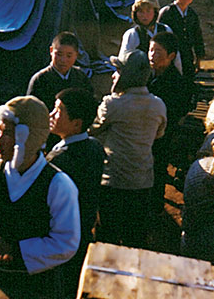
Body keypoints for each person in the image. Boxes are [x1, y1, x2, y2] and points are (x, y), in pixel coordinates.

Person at [0, 95, 80, 298]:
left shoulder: (58, 184)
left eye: (7, 133)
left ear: (27, 138)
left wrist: (14, 250)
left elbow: (65, 242)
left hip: (40, 286)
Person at [89, 50, 166, 248]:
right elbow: (158, 134)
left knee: (108, 239)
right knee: (136, 238)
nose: (113, 75)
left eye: (117, 71)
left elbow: (93, 130)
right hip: (142, 181)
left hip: (113, 181)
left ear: (126, 76)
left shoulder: (112, 104)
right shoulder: (158, 105)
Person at [46, 87, 105, 296]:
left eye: (59, 111)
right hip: (83, 231)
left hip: (59, 238)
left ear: (76, 123)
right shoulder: (96, 147)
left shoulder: (58, 160)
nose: (51, 115)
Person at [147, 32, 194, 212]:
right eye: (151, 50)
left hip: (163, 136)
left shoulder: (175, 83)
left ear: (171, 56)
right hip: (147, 133)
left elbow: (176, 112)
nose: (152, 55)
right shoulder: (148, 75)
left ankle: (156, 207)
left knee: (158, 169)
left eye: (158, 52)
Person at [26, 31, 93, 112]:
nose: (63, 60)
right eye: (59, 54)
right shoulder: (40, 79)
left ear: (76, 55)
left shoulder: (81, 78)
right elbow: (32, 111)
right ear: (51, 51)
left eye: (69, 56)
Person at [118, 0, 183, 74]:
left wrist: (179, 77)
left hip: (165, 79)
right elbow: (123, 61)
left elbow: (176, 58)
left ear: (155, 12)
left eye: (148, 11)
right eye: (140, 11)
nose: (144, 15)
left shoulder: (165, 30)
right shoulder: (132, 34)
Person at [158, 0, 205, 82]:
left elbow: (198, 37)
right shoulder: (167, 13)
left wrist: (198, 59)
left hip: (187, 57)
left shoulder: (192, 15)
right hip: (170, 58)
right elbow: (159, 38)